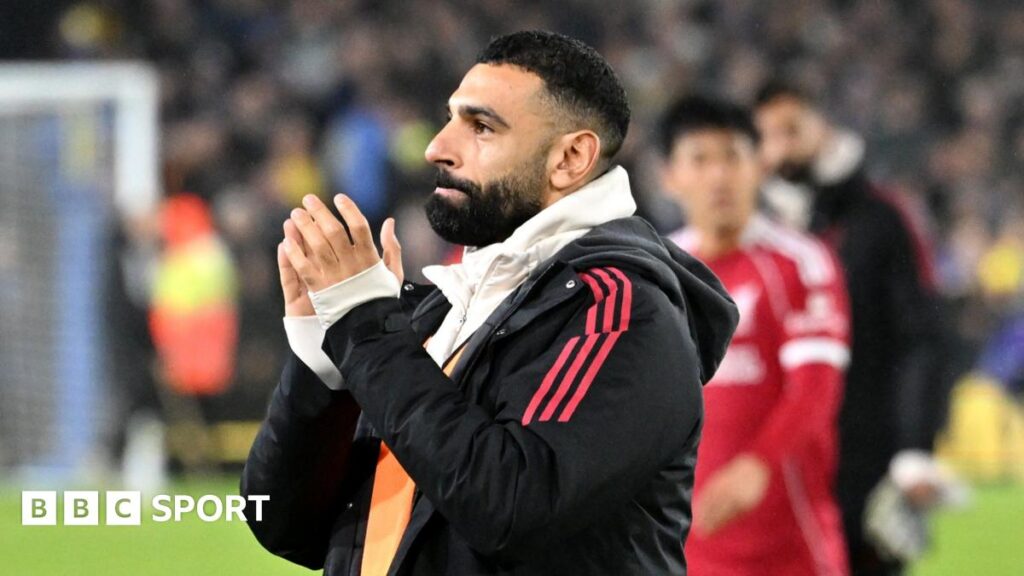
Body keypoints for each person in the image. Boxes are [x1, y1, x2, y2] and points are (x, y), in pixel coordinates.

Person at [241, 30, 738, 576]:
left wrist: (364, 325)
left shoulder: (619, 311)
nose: (436, 147)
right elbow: (283, 525)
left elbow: (508, 507)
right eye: (450, 118)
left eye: (481, 127)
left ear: (571, 157)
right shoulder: (443, 309)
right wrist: (324, 355)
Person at [754, 81, 947, 575]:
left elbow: (920, 341)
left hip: (864, 460)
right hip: (774, 468)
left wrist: (913, 450)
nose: (780, 146)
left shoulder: (882, 219)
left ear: (823, 124)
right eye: (768, 134)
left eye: (792, 129)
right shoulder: (751, 228)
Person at [661, 95, 851, 576]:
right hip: (685, 551)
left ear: (759, 166)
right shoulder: (654, 272)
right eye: (700, 160)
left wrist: (758, 464)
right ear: (670, 177)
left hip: (790, 550)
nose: (719, 176)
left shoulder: (799, 263)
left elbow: (816, 389)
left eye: (733, 157)